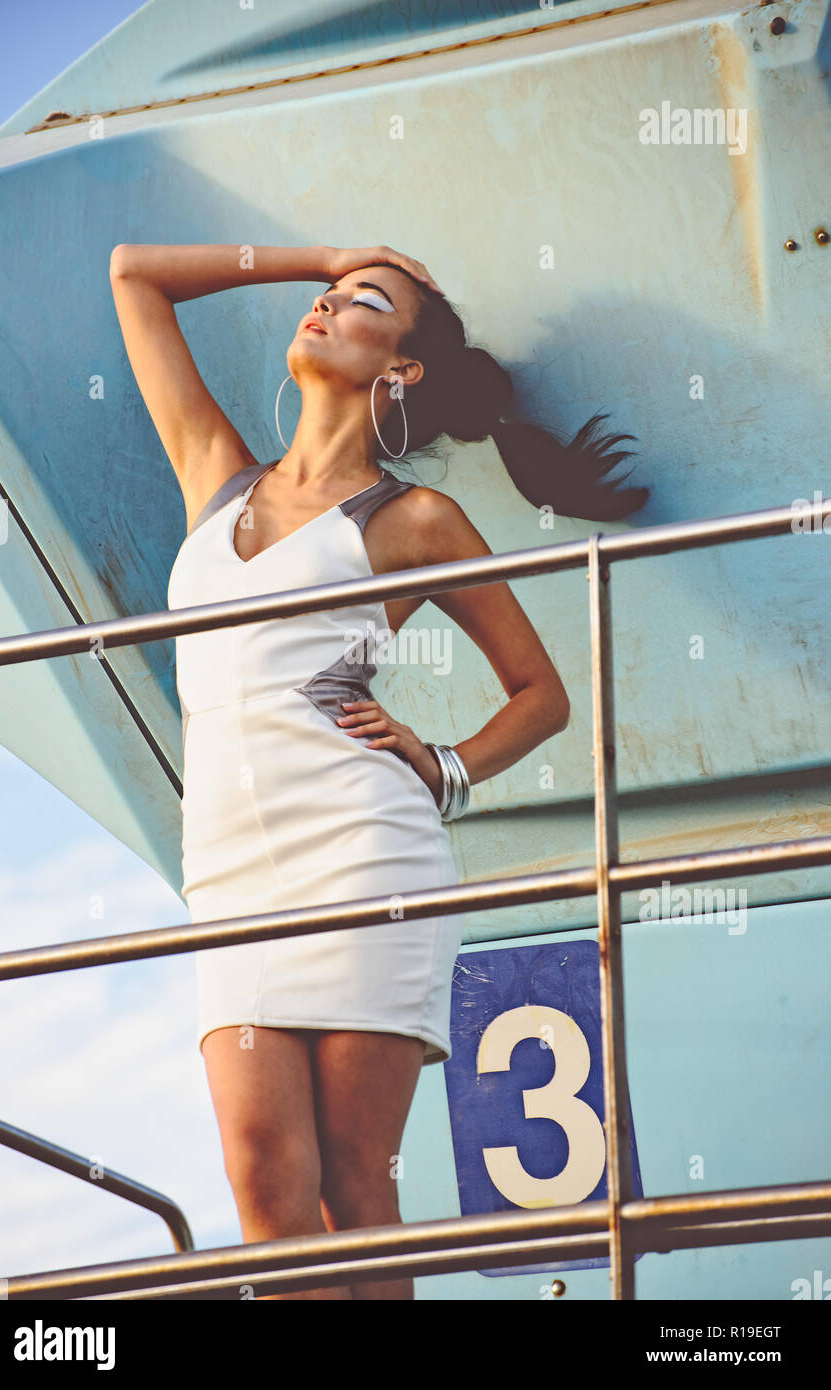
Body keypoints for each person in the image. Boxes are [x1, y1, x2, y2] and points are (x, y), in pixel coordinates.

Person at [110, 242, 647, 1300]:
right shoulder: (213, 472)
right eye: (329, 293)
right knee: (263, 1182)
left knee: (356, 1190)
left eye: (362, 302)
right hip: (225, 869)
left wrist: (443, 764)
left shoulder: (417, 522)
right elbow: (135, 276)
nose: (326, 303)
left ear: (399, 369)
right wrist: (326, 253)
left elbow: (542, 693)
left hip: (366, 857)